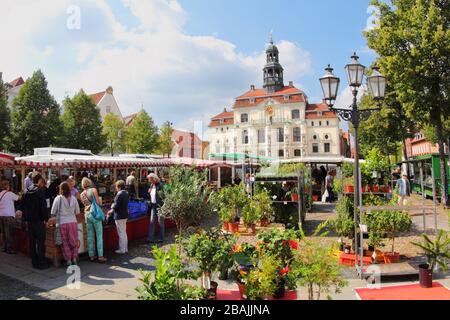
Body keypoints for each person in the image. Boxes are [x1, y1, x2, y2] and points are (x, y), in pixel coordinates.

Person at [22, 172, 50, 269]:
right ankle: (41, 262)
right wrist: (46, 219)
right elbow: (43, 207)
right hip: (39, 221)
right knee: (41, 242)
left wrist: (24, 219)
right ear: (39, 180)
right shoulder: (39, 191)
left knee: (32, 242)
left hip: (30, 221)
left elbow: (23, 207)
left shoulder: (26, 191)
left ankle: (34, 262)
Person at [50, 182, 80, 267]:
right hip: (73, 222)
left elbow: (53, 211)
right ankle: (74, 258)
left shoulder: (58, 198)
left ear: (61, 189)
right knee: (73, 241)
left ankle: (68, 260)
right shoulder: (74, 198)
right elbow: (77, 212)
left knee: (65, 242)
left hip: (62, 222)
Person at [80, 178, 107, 263]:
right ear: (89, 183)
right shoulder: (93, 190)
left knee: (90, 236)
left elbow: (85, 204)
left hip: (87, 215)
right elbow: (98, 203)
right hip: (95, 214)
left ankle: (91, 255)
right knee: (99, 236)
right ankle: (100, 256)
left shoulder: (81, 194)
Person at [109, 180, 129, 254]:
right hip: (125, 214)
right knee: (124, 232)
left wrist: (112, 206)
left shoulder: (119, 194)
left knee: (121, 233)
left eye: (116, 187)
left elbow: (116, 205)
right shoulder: (126, 193)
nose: (116, 188)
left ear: (119, 187)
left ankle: (122, 249)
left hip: (119, 215)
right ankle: (125, 248)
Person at [0, 180, 19, 254]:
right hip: (8, 215)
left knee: (3, 232)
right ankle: (9, 249)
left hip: (1, 215)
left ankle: (4, 247)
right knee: (9, 233)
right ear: (7, 186)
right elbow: (18, 198)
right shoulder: (10, 194)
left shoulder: (0, 194)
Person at [147, 173, 165, 244]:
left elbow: (164, 196)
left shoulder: (160, 185)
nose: (149, 181)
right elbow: (150, 195)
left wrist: (163, 206)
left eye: (150, 179)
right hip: (153, 205)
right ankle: (150, 238)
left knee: (160, 222)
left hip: (160, 206)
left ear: (154, 179)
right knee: (152, 222)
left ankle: (161, 238)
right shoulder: (151, 185)